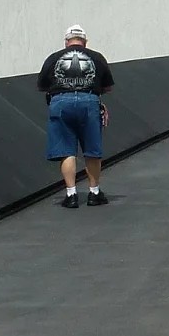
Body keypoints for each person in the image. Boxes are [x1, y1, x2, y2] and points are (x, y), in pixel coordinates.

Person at [37, 25, 115, 209]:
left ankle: (71, 194)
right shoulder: (96, 57)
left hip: (61, 102)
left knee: (66, 150)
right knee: (92, 149)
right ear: (85, 42)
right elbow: (107, 86)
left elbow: (42, 85)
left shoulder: (54, 58)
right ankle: (94, 193)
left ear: (66, 42)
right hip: (89, 101)